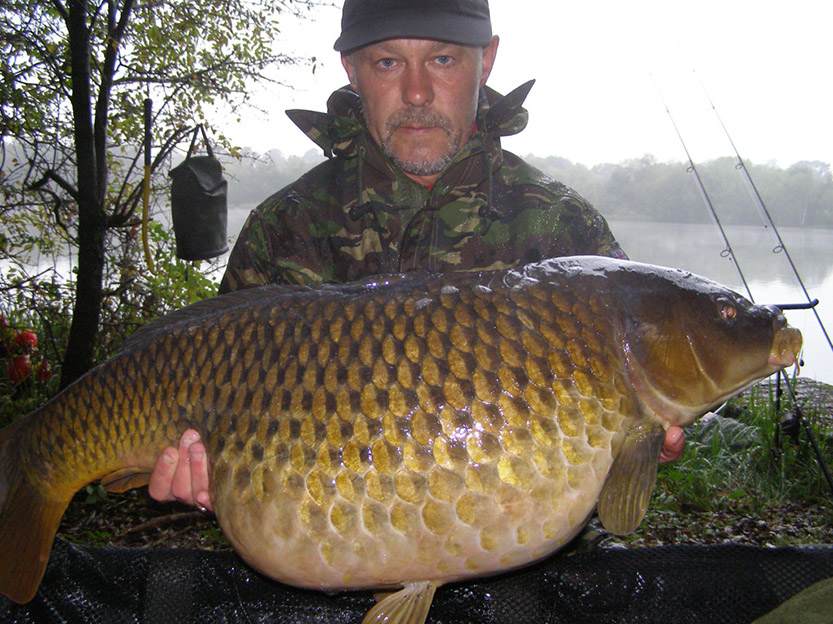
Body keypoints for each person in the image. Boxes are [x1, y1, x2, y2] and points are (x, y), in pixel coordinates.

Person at [148, 0, 685, 513]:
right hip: (329, 555)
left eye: (443, 59)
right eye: (387, 62)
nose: (417, 92)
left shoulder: (565, 229)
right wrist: (207, 475)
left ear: (487, 59)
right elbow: (219, 425)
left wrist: (638, 448)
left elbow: (628, 438)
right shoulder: (283, 229)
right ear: (352, 70)